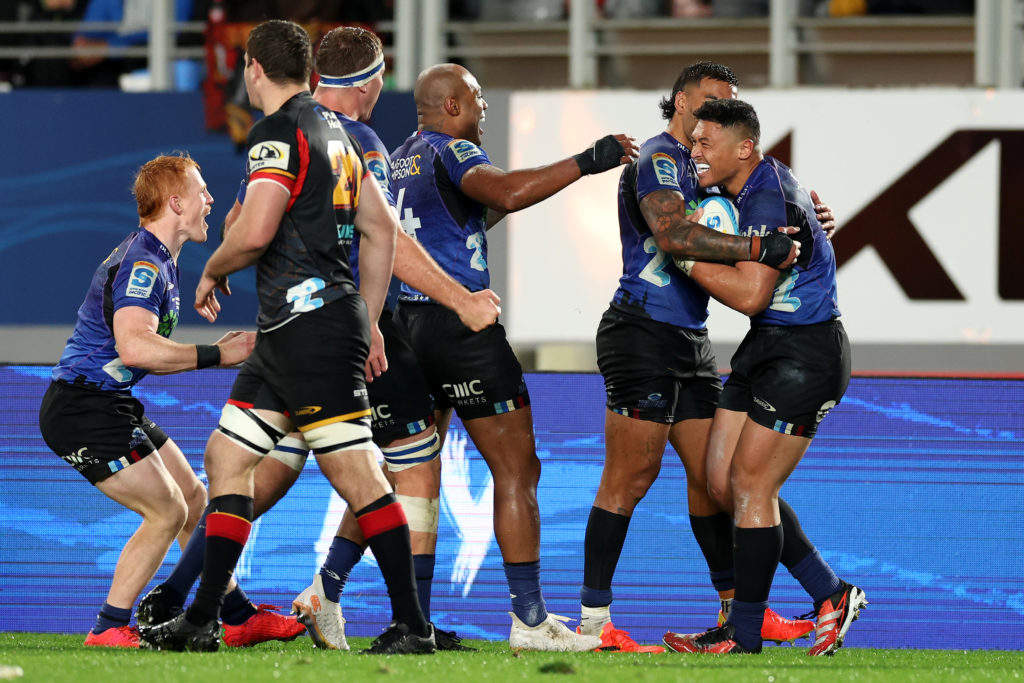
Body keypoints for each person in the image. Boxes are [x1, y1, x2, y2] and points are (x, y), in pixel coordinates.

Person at [136, 25, 500, 652]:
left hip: (307, 329)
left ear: (253, 69)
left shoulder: (277, 134)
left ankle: (412, 626)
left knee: (359, 477)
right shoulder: (340, 136)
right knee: (230, 459)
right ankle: (200, 619)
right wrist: (370, 317)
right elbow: (383, 230)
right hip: (302, 331)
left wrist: (213, 269)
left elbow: (253, 232)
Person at [390, 62, 638, 652]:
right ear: (451, 107)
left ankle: (411, 621)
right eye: (477, 101)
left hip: (402, 328)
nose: (483, 112)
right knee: (517, 469)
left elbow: (466, 216)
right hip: (459, 327)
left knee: (411, 473)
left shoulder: (399, 158)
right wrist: (588, 160)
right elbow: (505, 191)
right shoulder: (452, 151)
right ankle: (530, 618)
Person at [575, 61, 817, 654]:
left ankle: (739, 616)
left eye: (725, 105)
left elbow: (759, 195)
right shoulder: (659, 157)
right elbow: (673, 233)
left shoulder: (707, 169)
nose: (713, 115)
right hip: (641, 332)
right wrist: (760, 246)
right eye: (707, 102)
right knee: (629, 476)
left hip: (690, 340)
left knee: (716, 480)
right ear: (679, 101)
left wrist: (807, 216)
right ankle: (592, 620)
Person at [667, 98, 866, 655]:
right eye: (694, 140)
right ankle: (831, 592)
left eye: (707, 143)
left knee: (753, 486)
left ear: (744, 148)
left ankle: (742, 634)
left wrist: (681, 254)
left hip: (806, 354)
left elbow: (753, 294)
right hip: (768, 346)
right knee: (720, 484)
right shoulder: (749, 182)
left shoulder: (766, 194)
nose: (696, 151)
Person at [37, 153, 256, 648]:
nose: (211, 200)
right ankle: (108, 627)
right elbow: (135, 347)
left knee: (196, 499)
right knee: (167, 511)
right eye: (202, 192)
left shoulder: (159, 259)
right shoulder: (143, 263)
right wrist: (219, 354)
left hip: (108, 402)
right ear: (176, 203)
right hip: (82, 408)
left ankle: (239, 616)